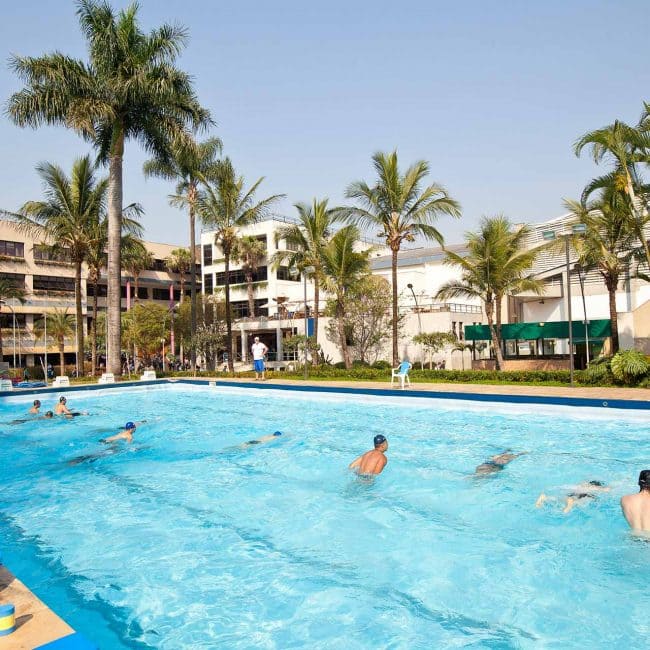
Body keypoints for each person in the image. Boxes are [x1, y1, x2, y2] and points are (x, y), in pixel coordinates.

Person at [536, 480, 610, 513]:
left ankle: (545, 497)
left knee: (559, 499)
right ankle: (569, 505)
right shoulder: (593, 488)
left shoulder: (582, 485)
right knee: (580, 502)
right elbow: (607, 490)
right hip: (578, 496)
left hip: (571, 494)